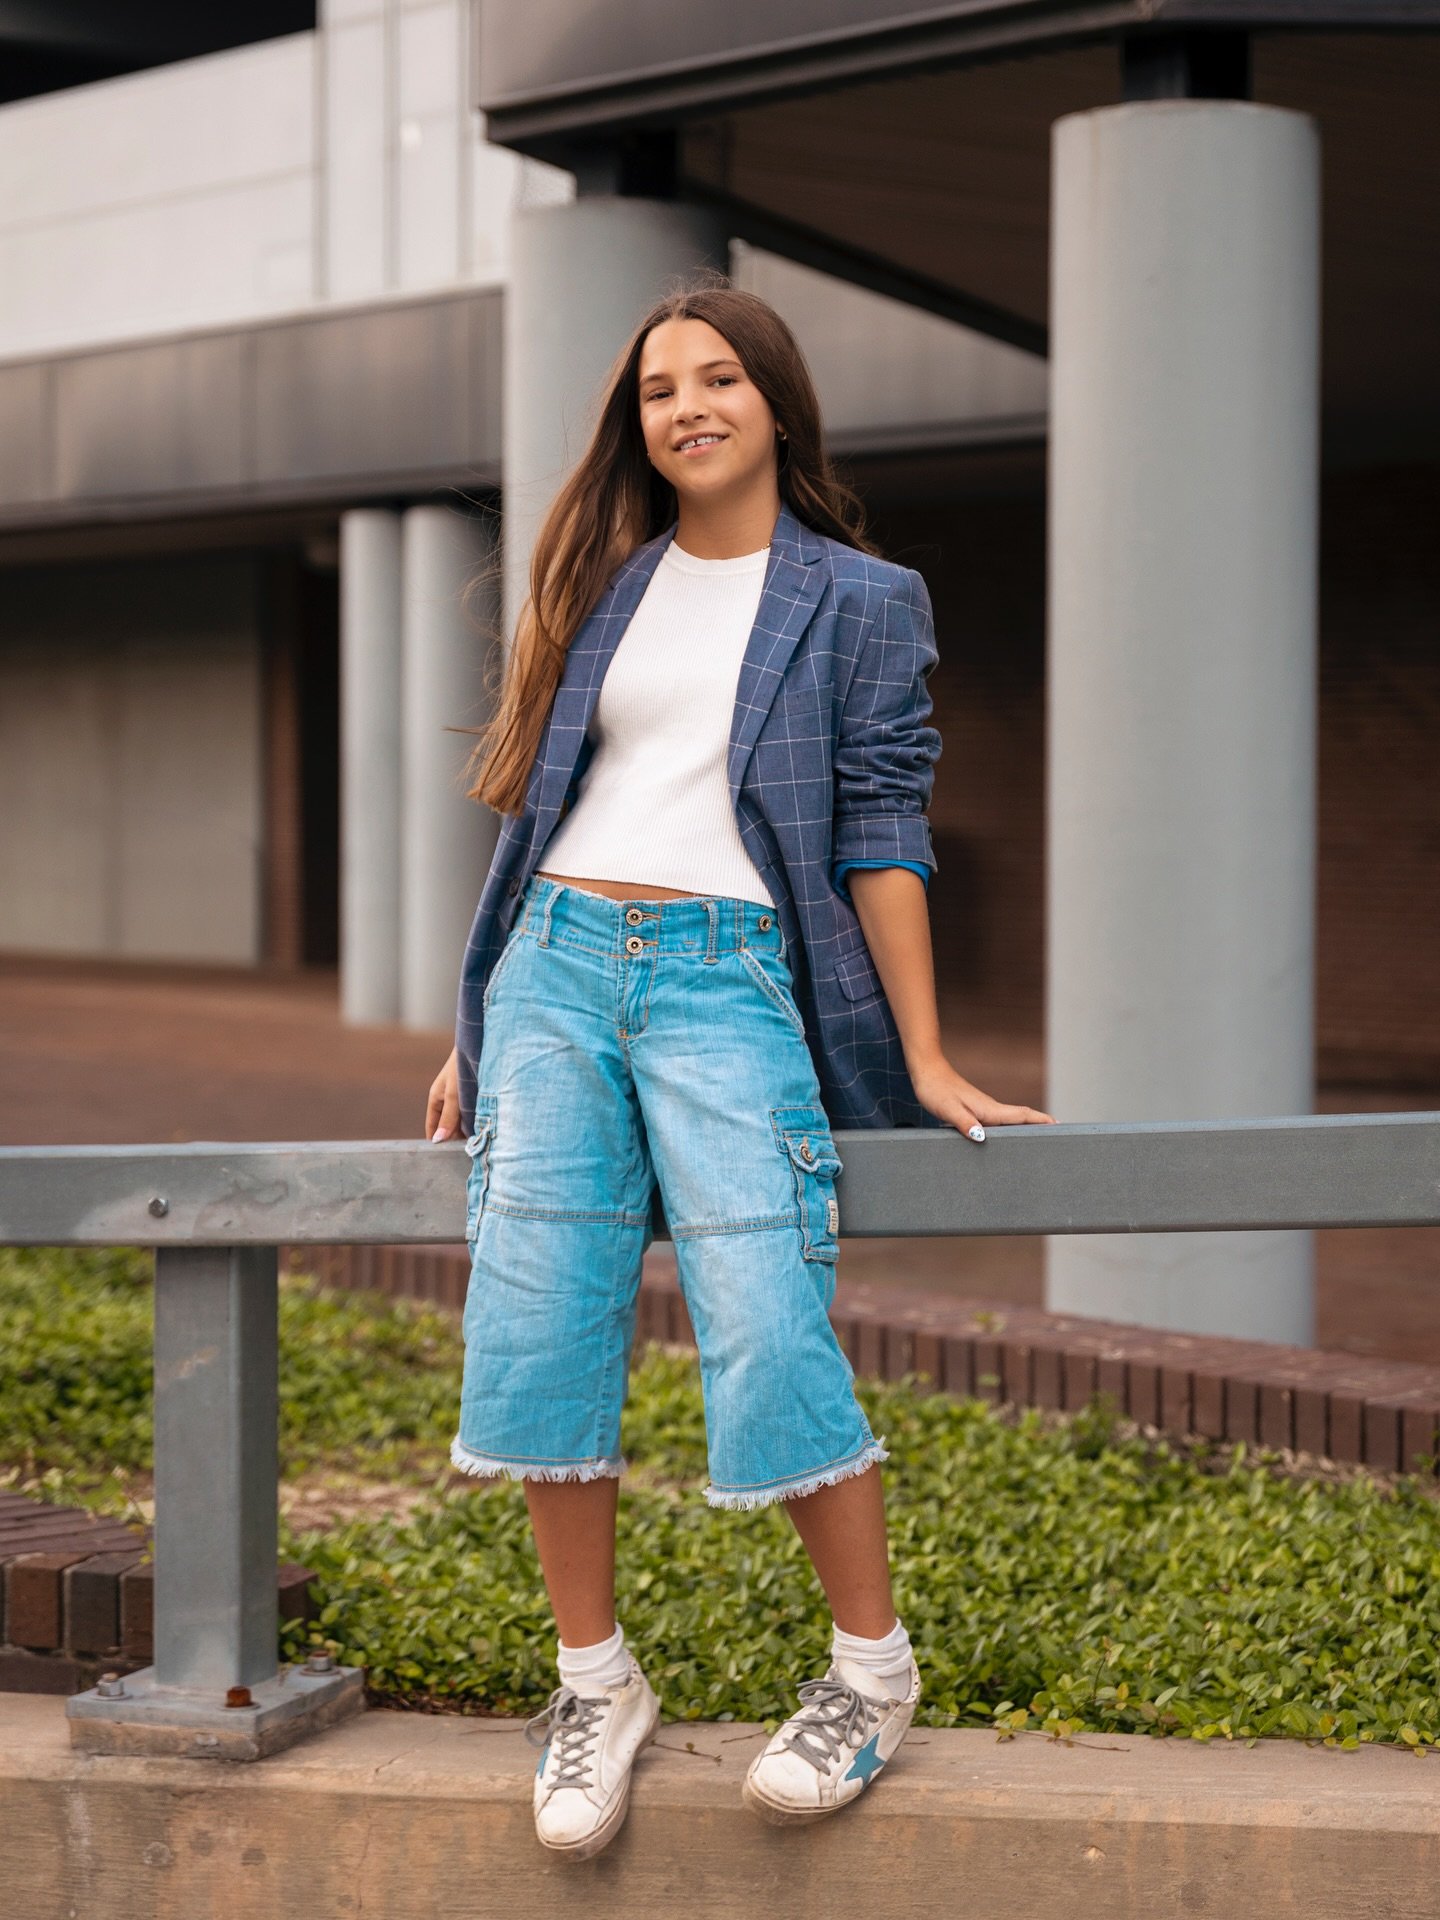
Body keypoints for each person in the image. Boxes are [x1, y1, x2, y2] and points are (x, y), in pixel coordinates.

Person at [424, 281, 1054, 1860]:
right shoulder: (600, 581)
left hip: (728, 978)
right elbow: (534, 819)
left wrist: (921, 1051)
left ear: (775, 400)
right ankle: (593, 1684)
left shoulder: (862, 595)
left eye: (717, 379)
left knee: (769, 1324)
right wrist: (472, 1034)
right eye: (657, 390)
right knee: (536, 1328)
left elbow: (884, 829)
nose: (686, 406)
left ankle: (871, 1671)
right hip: (555, 968)